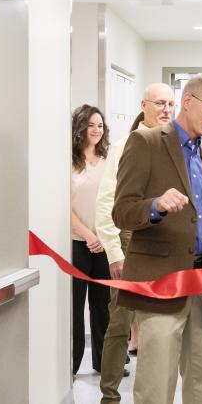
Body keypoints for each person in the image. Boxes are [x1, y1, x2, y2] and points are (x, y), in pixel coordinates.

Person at [111, 74, 202, 404]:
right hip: (161, 284)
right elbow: (122, 211)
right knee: (157, 382)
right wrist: (154, 206)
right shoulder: (147, 143)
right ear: (188, 101)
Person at [94, 83, 175, 403]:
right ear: (144, 105)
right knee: (119, 321)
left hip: (167, 241)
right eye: (159, 103)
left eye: (171, 103)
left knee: (165, 323)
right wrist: (114, 253)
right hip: (131, 240)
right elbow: (106, 204)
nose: (166, 109)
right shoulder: (128, 145)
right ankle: (110, 395)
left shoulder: (179, 145)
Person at [70, 104, 111, 375]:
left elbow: (114, 200)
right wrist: (88, 235)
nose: (96, 130)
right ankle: (71, 365)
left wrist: (101, 236)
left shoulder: (109, 160)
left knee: (102, 307)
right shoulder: (70, 162)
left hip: (105, 242)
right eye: (91, 125)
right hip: (76, 242)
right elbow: (63, 207)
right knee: (75, 306)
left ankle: (103, 362)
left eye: (100, 125)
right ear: (80, 129)